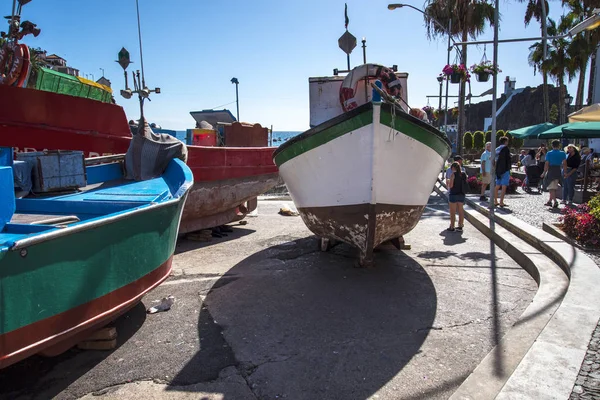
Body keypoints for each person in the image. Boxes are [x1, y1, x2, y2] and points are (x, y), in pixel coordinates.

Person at [542, 140, 566, 208]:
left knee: (551, 187)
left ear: (552, 145)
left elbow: (547, 163)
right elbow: (564, 163)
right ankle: (549, 201)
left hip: (551, 170)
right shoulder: (562, 153)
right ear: (559, 145)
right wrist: (565, 172)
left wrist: (544, 172)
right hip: (558, 170)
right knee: (553, 186)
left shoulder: (549, 153)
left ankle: (555, 201)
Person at [447, 161, 466, 232]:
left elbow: (451, 185)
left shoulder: (453, 175)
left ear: (454, 168)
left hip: (453, 194)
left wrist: (449, 181)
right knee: (461, 210)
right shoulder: (463, 174)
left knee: (453, 212)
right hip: (461, 194)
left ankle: (452, 226)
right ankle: (460, 225)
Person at [493, 136, 511, 207]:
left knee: (497, 186)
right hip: (505, 169)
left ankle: (495, 201)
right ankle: (501, 202)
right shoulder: (506, 149)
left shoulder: (497, 149)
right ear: (505, 141)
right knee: (504, 186)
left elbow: (493, 158)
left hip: (498, 169)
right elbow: (508, 159)